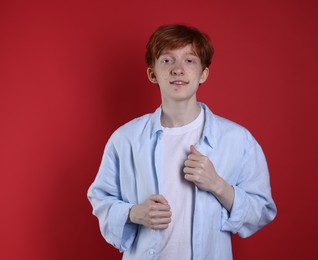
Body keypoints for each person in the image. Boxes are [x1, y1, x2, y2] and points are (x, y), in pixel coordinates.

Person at [87, 24, 277, 260]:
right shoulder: (125, 139)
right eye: (167, 60)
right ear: (152, 73)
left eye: (189, 61)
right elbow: (101, 200)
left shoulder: (238, 140)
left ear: (203, 74)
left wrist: (219, 185)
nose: (178, 69)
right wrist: (134, 213)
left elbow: (262, 211)